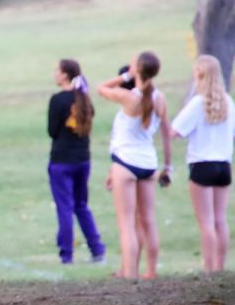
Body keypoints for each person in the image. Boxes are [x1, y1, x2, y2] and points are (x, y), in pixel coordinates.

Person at [98, 51, 172, 280]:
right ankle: (150, 271)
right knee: (148, 221)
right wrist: (168, 166)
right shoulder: (159, 98)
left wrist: (123, 77)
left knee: (127, 223)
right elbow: (167, 135)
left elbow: (101, 88)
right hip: (148, 163)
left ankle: (130, 274)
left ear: (137, 70)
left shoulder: (129, 97)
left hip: (126, 164)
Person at [170, 55, 235, 274]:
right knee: (220, 219)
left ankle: (208, 268)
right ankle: (220, 265)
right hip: (224, 165)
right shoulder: (227, 101)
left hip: (202, 165)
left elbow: (174, 131)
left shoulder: (198, 103)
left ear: (199, 75)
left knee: (206, 222)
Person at [47, 59, 105, 264]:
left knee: (64, 207)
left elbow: (52, 131)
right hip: (83, 160)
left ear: (65, 75)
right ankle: (97, 250)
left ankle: (67, 255)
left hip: (61, 161)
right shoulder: (84, 99)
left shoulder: (58, 100)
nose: (54, 74)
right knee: (81, 205)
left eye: (57, 70)